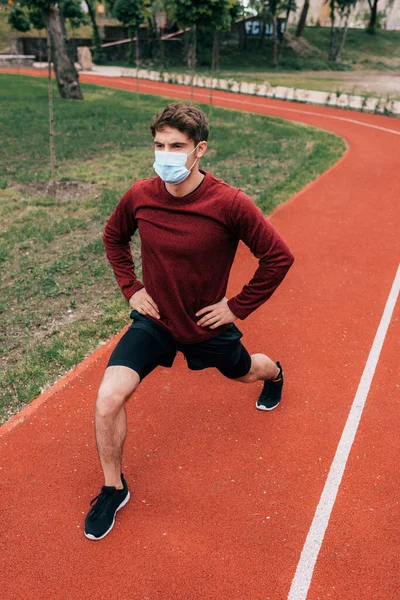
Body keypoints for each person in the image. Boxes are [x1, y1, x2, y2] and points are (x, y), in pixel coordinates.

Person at [84, 102, 294, 541]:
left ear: (200, 150)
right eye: (159, 145)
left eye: (176, 146)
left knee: (245, 372)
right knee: (107, 399)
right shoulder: (140, 195)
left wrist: (237, 307)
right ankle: (112, 487)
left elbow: (278, 257)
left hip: (205, 326)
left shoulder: (230, 203)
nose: (165, 155)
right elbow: (113, 237)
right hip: (156, 321)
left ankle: (275, 372)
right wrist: (132, 288)